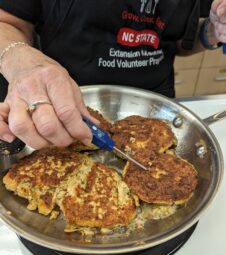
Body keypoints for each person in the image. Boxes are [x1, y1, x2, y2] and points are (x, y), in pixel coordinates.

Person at [0, 0, 225, 150]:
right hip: (62, 108)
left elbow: (177, 41)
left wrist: (213, 32)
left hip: (157, 108)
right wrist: (21, 61)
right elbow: (7, 21)